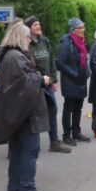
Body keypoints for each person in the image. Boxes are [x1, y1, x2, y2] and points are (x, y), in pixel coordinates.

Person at [0, 21, 51, 191]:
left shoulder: (10, 56)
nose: (30, 40)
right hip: (24, 113)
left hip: (16, 112)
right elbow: (25, 83)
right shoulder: (16, 57)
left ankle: (14, 189)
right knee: (29, 151)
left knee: (17, 151)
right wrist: (42, 79)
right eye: (27, 37)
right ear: (19, 37)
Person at [25, 15, 70, 153]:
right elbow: (26, 66)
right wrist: (39, 78)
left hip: (47, 84)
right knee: (29, 114)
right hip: (34, 85)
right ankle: (21, 146)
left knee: (52, 110)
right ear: (28, 29)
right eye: (35, 25)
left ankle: (54, 142)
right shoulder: (25, 44)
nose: (38, 27)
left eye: (39, 24)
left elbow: (51, 60)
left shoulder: (44, 41)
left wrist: (53, 79)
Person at [56, 18, 91, 146]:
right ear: (73, 30)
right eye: (80, 28)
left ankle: (76, 132)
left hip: (81, 80)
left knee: (78, 108)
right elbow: (59, 63)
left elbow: (84, 60)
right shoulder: (66, 44)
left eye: (83, 27)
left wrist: (87, 72)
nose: (83, 30)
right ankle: (67, 135)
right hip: (70, 81)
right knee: (68, 109)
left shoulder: (82, 42)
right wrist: (74, 74)